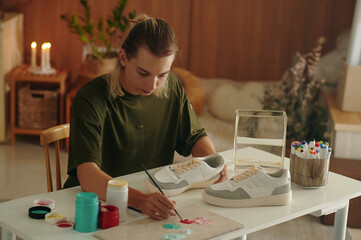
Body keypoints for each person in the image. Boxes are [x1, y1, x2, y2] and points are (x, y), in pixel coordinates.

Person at [63, 14, 227, 220]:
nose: (152, 86)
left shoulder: (173, 87)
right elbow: (88, 177)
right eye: (143, 73)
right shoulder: (90, 98)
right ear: (123, 57)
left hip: (150, 202)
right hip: (92, 205)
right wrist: (140, 200)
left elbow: (195, 138)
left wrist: (211, 164)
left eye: (162, 75)